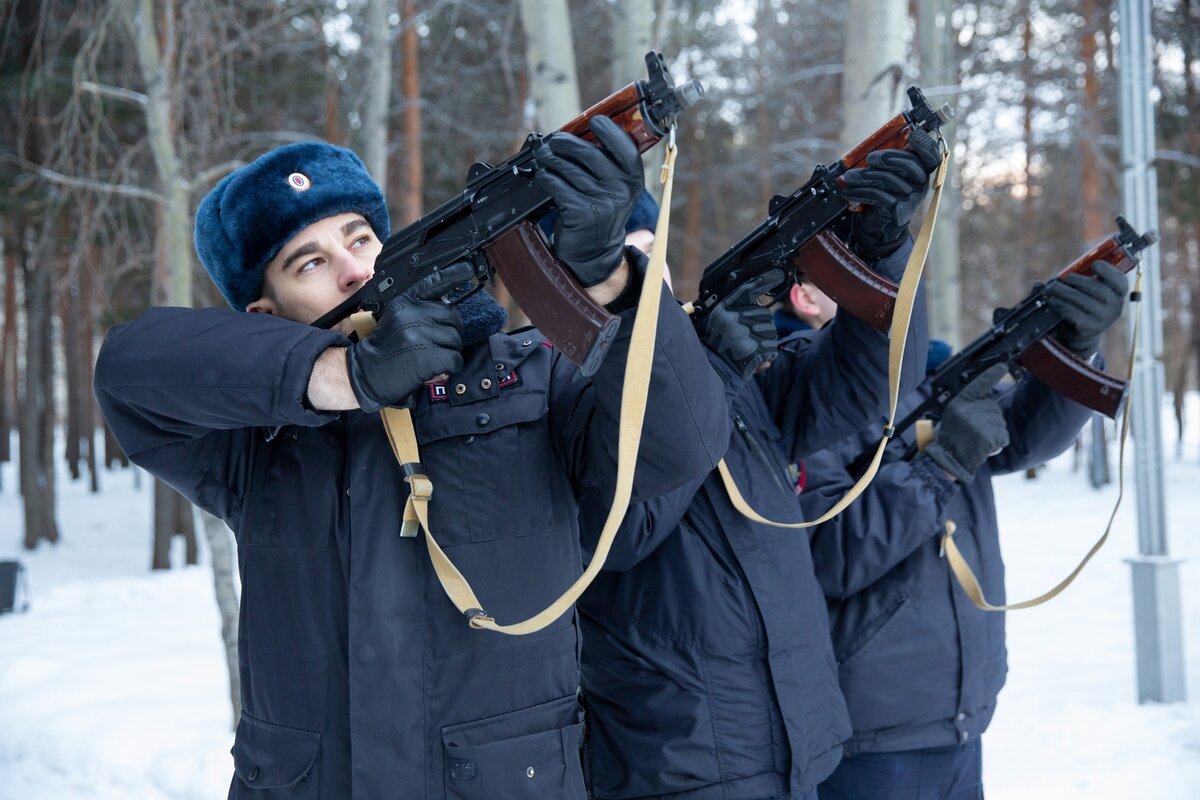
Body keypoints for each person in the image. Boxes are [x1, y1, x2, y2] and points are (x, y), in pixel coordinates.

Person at [93, 117, 731, 800]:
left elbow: (680, 443)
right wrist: (346, 378)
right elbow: (129, 369)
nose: (353, 269)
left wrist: (611, 283)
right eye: (309, 263)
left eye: (360, 238)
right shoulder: (252, 446)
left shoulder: (528, 377)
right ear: (265, 315)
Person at [576, 133, 942, 800]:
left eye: (651, 252)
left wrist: (880, 251)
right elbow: (620, 531)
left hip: (797, 745)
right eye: (623, 258)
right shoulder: (554, 389)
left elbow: (867, 380)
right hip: (679, 769)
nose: (645, 272)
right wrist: (700, 380)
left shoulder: (734, 368)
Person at [793, 263, 1128, 800]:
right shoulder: (801, 403)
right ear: (805, 296)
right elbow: (827, 557)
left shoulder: (928, 380)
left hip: (960, 716)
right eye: (859, 274)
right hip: (870, 735)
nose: (891, 291)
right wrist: (941, 463)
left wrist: (1074, 351)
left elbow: (1019, 436)